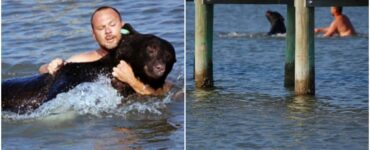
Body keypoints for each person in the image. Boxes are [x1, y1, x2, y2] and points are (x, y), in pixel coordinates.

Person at [38, 6, 172, 96]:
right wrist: (50, 66)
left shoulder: (139, 57)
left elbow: (163, 94)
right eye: (101, 28)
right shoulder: (86, 59)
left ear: (122, 27)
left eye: (112, 25)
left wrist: (132, 81)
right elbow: (43, 71)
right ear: (93, 35)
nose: (108, 31)